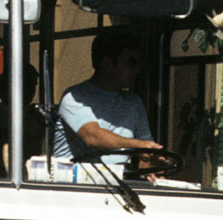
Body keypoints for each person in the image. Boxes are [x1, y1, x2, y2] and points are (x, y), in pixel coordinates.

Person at [54, 30, 161, 166]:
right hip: (75, 183)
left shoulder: (134, 102)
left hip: (119, 182)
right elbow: (93, 137)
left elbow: (145, 152)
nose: (138, 70)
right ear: (107, 64)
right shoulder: (75, 97)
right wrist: (139, 146)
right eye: (131, 63)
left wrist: (153, 166)